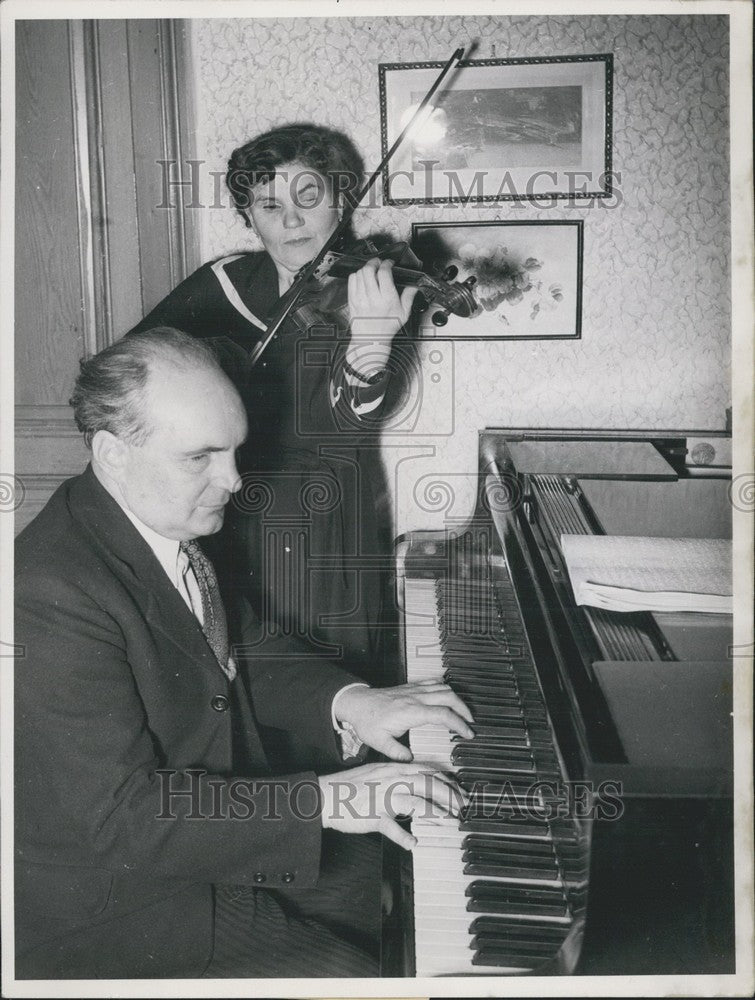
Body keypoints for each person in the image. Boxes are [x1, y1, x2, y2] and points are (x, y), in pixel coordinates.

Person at [14, 329, 474, 979]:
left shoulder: (154, 521)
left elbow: (242, 646)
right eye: (201, 457)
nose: (232, 480)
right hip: (123, 906)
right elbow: (122, 819)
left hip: (215, 834)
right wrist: (327, 801)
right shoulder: (47, 593)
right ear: (113, 454)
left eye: (234, 451)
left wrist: (351, 701)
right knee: (382, 979)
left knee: (424, 872)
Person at [129, 123, 419, 692]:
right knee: (229, 675)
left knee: (325, 683)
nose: (291, 221)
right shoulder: (224, 282)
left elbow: (351, 419)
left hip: (321, 517)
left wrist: (371, 341)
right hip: (223, 507)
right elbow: (132, 373)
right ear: (249, 215)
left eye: (308, 198)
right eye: (269, 205)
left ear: (340, 202)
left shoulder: (373, 289)